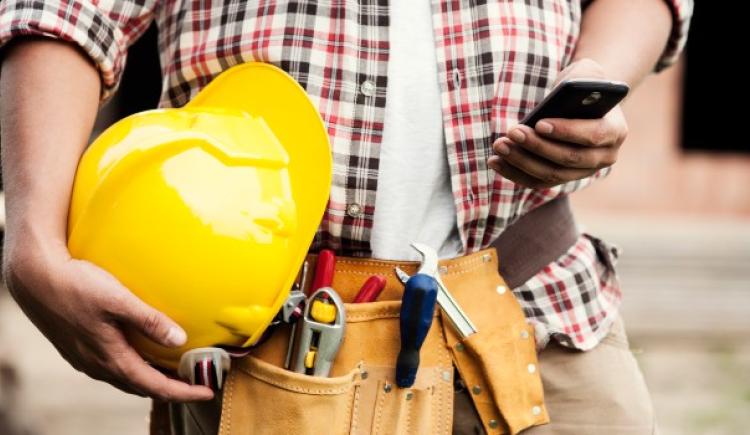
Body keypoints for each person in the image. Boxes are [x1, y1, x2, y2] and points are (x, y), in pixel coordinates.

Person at [0, 0, 691, 434]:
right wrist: (32, 237)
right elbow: (64, 11)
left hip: (540, 316)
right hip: (273, 351)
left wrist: (601, 68)